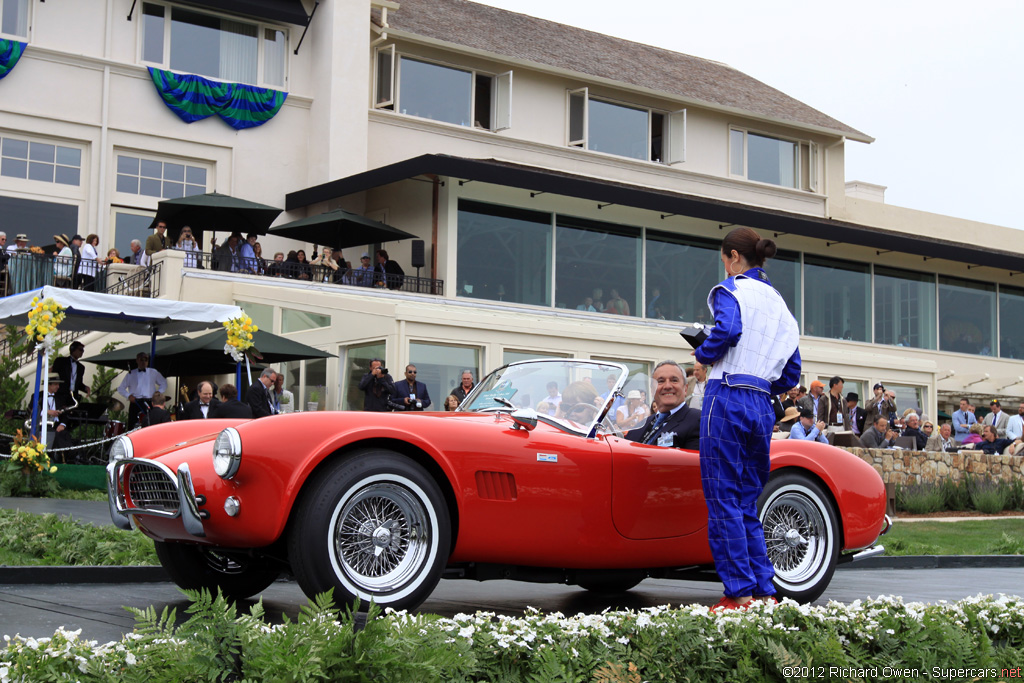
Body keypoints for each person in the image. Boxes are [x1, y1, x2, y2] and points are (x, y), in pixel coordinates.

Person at [693, 227, 800, 612]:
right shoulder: (781, 306)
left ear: (734, 257)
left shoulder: (731, 289)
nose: (724, 266)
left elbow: (729, 330)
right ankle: (763, 591)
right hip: (760, 402)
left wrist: (703, 355)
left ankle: (738, 593)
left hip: (727, 396)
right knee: (746, 502)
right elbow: (791, 374)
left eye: (724, 260)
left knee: (722, 499)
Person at [625, 360, 700, 448]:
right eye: (661, 381)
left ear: (685, 388)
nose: (667, 386)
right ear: (652, 390)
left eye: (674, 380)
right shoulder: (640, 426)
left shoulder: (699, 421)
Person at [117, 352, 167, 429]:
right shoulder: (131, 374)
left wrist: (158, 393)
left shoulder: (153, 372)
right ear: (137, 360)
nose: (143, 362)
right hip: (136, 402)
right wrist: (128, 396)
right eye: (141, 359)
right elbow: (120, 388)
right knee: (133, 425)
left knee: (150, 425)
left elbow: (163, 383)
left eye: (146, 360)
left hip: (150, 402)